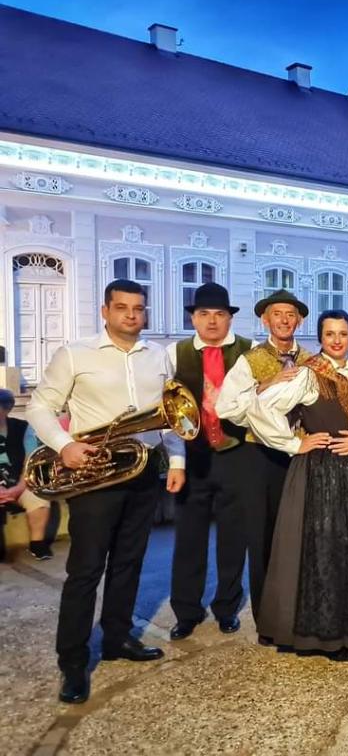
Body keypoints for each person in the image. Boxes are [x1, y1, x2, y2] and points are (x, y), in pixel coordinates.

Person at [26, 279, 186, 704]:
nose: (131, 315)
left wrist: (177, 461)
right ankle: (73, 662)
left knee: (129, 564)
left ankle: (117, 638)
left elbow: (169, 416)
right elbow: (39, 406)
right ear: (105, 311)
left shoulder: (157, 356)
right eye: (121, 307)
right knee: (86, 570)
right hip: (94, 475)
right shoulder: (75, 354)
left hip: (142, 470)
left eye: (138, 308)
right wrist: (65, 445)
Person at [247, 310, 348, 661]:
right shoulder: (309, 373)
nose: (337, 340)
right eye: (330, 334)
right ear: (320, 338)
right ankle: (330, 635)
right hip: (322, 472)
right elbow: (260, 409)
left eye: (343, 333)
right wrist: (294, 443)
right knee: (326, 547)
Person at [216, 289, 313, 623]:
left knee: (300, 530)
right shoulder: (250, 360)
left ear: (300, 321)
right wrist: (265, 385)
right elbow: (226, 407)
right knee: (261, 534)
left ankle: (299, 606)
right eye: (277, 314)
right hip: (259, 455)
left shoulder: (310, 359)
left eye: (290, 315)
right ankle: (267, 614)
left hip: (300, 454)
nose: (284, 320)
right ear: (265, 320)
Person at [166, 283, 250, 640]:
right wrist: (176, 461)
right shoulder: (174, 354)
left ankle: (227, 607)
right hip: (194, 456)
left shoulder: (249, 351)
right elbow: (168, 414)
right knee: (189, 538)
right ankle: (186, 611)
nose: (212, 321)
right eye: (204, 314)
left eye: (219, 314)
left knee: (234, 538)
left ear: (230, 318)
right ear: (193, 318)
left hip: (236, 455)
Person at [0, 387, 53, 561]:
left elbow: (30, 461)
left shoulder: (22, 428)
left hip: (18, 481)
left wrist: (18, 488)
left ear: (7, 409)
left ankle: (37, 543)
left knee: (37, 498)